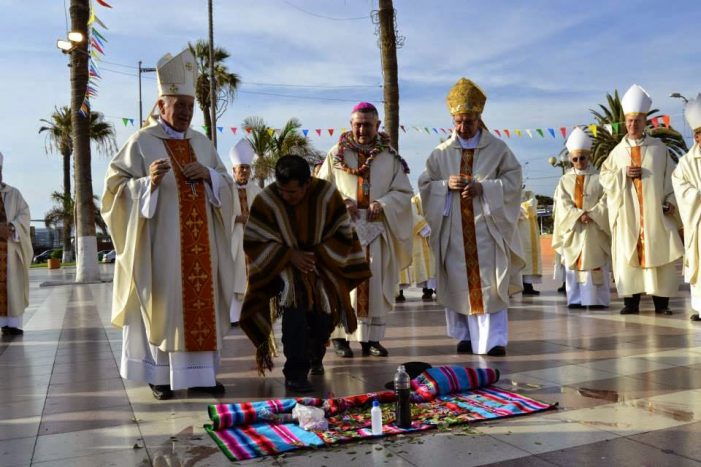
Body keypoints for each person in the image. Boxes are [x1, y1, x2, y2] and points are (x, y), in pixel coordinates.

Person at [102, 49, 238, 400]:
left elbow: (227, 183)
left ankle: (202, 376)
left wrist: (209, 175)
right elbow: (113, 191)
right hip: (159, 248)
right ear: (161, 105)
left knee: (198, 301)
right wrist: (144, 184)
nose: (186, 114)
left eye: (190, 107)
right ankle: (161, 376)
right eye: (179, 106)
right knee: (163, 302)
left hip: (202, 249)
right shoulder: (141, 142)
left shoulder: (202, 142)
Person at [240, 155, 371, 393]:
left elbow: (343, 233)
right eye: (283, 191)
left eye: (293, 192)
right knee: (295, 308)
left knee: (322, 317)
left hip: (322, 264)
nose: (287, 197)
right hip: (283, 268)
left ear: (307, 184)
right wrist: (289, 256)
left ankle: (314, 353)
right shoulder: (267, 200)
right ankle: (295, 372)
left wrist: (316, 255)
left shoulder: (326, 195)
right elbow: (254, 240)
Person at [419, 77, 523, 356]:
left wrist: (484, 188)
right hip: (454, 229)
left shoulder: (498, 149)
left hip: (487, 230)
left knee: (491, 285)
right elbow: (425, 185)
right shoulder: (440, 153)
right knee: (457, 282)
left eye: (469, 121)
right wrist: (444, 186)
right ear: (453, 120)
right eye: (459, 122)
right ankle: (464, 335)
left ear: (479, 118)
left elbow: (514, 181)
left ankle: (494, 340)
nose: (464, 128)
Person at [317, 102, 412, 358]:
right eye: (357, 124)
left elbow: (403, 191)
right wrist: (342, 201)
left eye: (367, 125)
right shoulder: (335, 153)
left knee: (373, 282)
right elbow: (320, 189)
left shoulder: (389, 156)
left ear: (378, 125)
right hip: (342, 232)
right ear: (350, 124)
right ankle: (340, 338)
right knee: (342, 284)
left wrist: (383, 203)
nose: (362, 130)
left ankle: (371, 340)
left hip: (375, 231)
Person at [599, 84, 683, 315]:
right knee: (628, 254)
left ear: (645, 121)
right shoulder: (617, 152)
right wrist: (622, 174)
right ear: (624, 122)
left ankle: (661, 303)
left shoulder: (659, 149)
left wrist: (671, 201)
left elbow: (674, 179)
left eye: (637, 120)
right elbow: (604, 178)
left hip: (655, 215)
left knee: (659, 254)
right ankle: (631, 302)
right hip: (627, 216)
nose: (632, 124)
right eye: (629, 120)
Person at [552, 128, 611, 309]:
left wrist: (593, 214)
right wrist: (578, 215)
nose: (579, 162)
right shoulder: (564, 180)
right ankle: (575, 299)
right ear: (570, 159)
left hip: (595, 229)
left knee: (597, 264)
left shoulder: (600, 178)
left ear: (589, 157)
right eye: (575, 158)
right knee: (573, 264)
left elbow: (608, 199)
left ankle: (597, 300)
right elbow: (562, 203)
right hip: (574, 229)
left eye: (582, 158)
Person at [672, 94, 701, 321]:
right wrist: (697, 195)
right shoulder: (686, 162)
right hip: (698, 221)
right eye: (698, 133)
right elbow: (680, 187)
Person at [228, 138, 261, 326]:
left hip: (252, 240)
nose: (245, 171)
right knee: (235, 276)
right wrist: (236, 219)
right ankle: (234, 317)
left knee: (252, 277)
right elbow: (220, 214)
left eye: (247, 168)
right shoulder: (226, 189)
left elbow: (265, 215)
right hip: (233, 239)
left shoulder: (256, 190)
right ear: (233, 170)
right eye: (241, 168)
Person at [0, 152, 32, 336]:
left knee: (11, 287)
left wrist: (12, 227)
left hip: (10, 251)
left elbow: (25, 214)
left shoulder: (13, 194)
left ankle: (11, 324)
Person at [397, 194, 436, 301]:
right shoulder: (414, 198)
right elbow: (411, 212)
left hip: (431, 234)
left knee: (431, 265)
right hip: (410, 233)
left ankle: (431, 289)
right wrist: (422, 225)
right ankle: (398, 292)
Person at [518, 190, 543, 295]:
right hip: (515, 230)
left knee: (528, 258)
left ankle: (527, 286)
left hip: (528, 230)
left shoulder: (528, 194)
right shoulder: (506, 193)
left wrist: (516, 208)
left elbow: (531, 206)